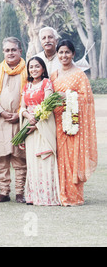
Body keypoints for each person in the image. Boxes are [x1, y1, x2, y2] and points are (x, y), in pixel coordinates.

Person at [50, 39, 97, 206]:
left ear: (73, 54)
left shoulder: (79, 75)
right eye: (61, 52)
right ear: (57, 54)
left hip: (72, 122)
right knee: (59, 158)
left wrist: (68, 96)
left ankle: (73, 196)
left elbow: (87, 99)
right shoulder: (54, 75)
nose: (64, 55)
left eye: (67, 52)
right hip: (56, 121)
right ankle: (59, 193)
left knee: (72, 158)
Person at [0, 37, 27, 203]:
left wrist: (20, 113)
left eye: (13, 50)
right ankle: (4, 192)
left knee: (20, 158)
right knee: (1, 158)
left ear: (20, 51)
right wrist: (1, 112)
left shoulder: (27, 69)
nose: (10, 53)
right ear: (3, 52)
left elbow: (30, 92)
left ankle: (20, 192)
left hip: (20, 119)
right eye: (7, 50)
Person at [20, 56, 60, 206]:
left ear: (43, 68)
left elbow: (48, 106)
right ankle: (34, 196)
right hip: (29, 127)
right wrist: (28, 116)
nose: (34, 69)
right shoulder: (27, 85)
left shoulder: (46, 83)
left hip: (43, 126)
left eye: (37, 66)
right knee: (32, 161)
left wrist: (36, 123)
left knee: (45, 159)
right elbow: (22, 107)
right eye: (31, 67)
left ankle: (47, 197)